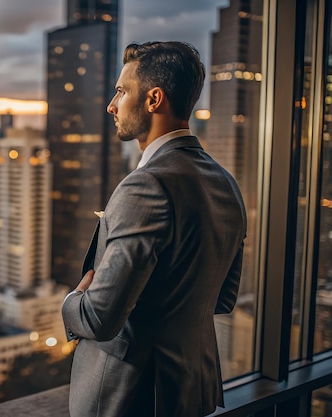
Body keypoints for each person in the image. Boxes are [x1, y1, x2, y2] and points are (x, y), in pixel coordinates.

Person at [61, 41, 247, 417]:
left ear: (153, 99)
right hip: (189, 390)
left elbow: (98, 318)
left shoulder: (144, 186)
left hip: (129, 396)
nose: (111, 105)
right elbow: (223, 298)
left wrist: (71, 301)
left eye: (122, 91)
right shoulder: (226, 184)